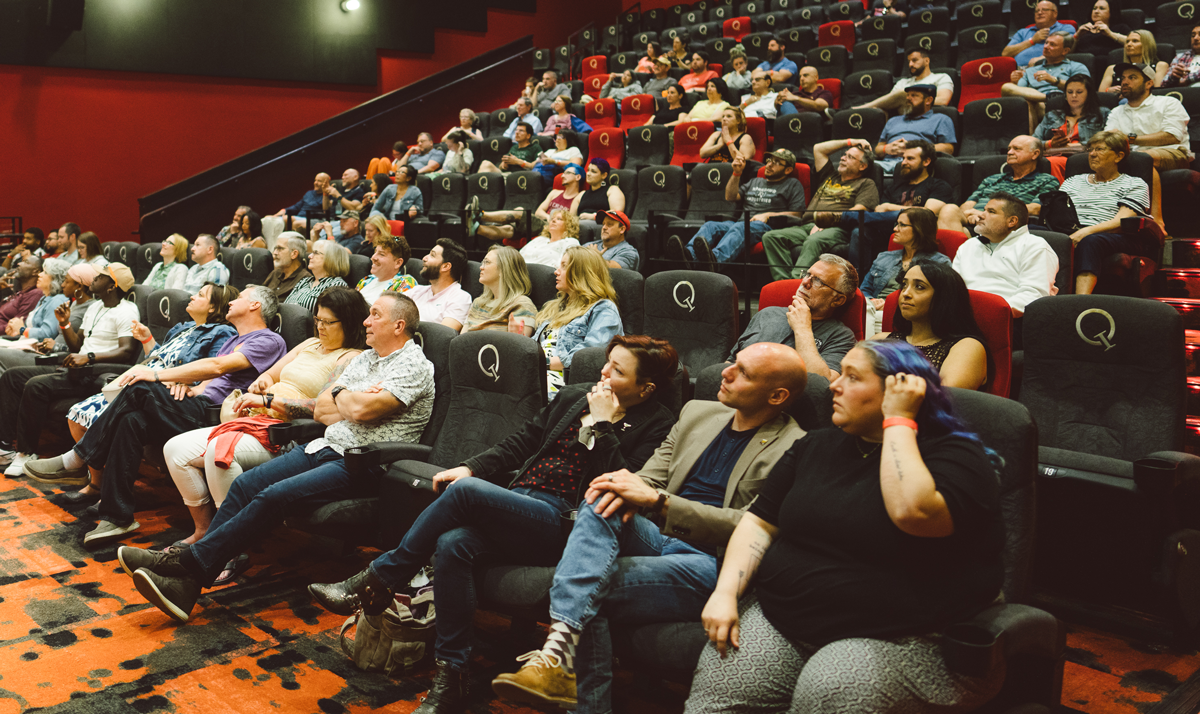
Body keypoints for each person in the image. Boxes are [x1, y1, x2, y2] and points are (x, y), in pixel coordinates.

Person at [310, 336, 681, 714]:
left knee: (466, 493)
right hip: (523, 503)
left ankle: (379, 579)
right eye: (607, 362)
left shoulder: (658, 425)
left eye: (618, 370)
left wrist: (603, 424)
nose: (603, 372)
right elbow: (522, 442)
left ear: (646, 388)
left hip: (572, 525)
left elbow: (620, 488)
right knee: (455, 542)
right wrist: (470, 466)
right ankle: (451, 678)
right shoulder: (576, 396)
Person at [684, 340, 1005, 714]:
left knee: (830, 687)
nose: (834, 384)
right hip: (783, 618)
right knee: (720, 688)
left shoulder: (958, 455)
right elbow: (758, 523)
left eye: (852, 377)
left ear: (900, 389)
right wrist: (726, 594)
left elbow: (913, 513)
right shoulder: (814, 446)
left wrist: (899, 420)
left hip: (906, 638)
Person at [489, 341, 807, 714]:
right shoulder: (697, 414)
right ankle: (560, 663)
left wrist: (661, 503)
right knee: (605, 492)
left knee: (588, 588)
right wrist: (631, 489)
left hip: (710, 561)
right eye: (732, 363)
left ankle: (559, 662)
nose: (725, 372)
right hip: (656, 535)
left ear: (777, 395)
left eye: (743, 373)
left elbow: (751, 526)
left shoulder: (795, 446)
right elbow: (643, 480)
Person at [114, 292, 435, 623]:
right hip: (324, 445)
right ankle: (188, 582)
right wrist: (346, 398)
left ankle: (185, 566)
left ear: (399, 325)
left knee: (272, 496)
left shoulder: (415, 365)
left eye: (376, 316)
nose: (366, 321)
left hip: (362, 461)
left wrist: (346, 399)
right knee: (245, 485)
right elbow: (323, 409)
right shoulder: (366, 360)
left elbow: (360, 409)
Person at [25, 284, 289, 546]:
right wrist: (189, 386)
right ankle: (117, 517)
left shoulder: (267, 340)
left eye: (240, 297)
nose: (232, 301)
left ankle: (77, 458)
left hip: (215, 418)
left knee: (141, 385)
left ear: (255, 305)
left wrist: (156, 375)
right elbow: (210, 378)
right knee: (132, 421)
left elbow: (218, 367)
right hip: (198, 404)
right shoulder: (234, 339)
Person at [162, 287, 367, 552]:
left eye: (328, 322)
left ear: (349, 322)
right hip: (256, 417)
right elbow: (270, 375)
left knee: (218, 453)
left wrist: (270, 401)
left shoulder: (351, 357)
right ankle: (205, 532)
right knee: (175, 450)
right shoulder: (309, 343)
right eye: (317, 320)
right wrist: (262, 384)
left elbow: (322, 409)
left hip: (288, 431)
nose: (320, 327)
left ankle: (232, 547)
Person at [53, 283, 239, 495]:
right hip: (145, 379)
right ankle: (97, 482)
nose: (192, 296)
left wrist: (187, 383)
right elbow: (160, 357)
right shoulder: (183, 327)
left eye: (200, 295)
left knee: (110, 419)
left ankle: (88, 473)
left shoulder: (222, 332)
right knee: (77, 414)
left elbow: (210, 369)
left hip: (163, 389)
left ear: (213, 307)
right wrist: (147, 339)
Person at [0, 264, 147, 477]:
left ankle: (26, 452)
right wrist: (65, 324)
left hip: (94, 371)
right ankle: (4, 446)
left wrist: (89, 357)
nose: (94, 279)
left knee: (36, 385)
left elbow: (126, 352)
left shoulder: (126, 310)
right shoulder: (95, 307)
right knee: (12, 377)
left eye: (101, 277)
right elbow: (77, 345)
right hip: (76, 366)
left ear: (112, 286)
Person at [814, 139, 953, 266]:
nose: (903, 162)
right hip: (889, 228)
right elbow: (879, 211)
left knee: (907, 215)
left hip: (917, 229)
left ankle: (843, 216)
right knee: (859, 231)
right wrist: (888, 209)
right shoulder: (894, 188)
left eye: (910, 158)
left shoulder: (938, 185)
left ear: (926, 162)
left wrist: (889, 207)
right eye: (903, 158)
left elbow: (927, 213)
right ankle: (856, 279)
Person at [670, 150, 807, 271]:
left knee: (741, 227)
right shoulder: (755, 181)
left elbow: (797, 214)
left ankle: (715, 261)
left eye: (776, 162)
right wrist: (736, 173)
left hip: (767, 226)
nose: (769, 164)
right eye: (769, 160)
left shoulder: (793, 184)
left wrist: (768, 215)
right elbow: (730, 196)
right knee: (710, 225)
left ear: (788, 170)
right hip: (741, 222)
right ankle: (688, 257)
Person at [760, 142, 880, 281]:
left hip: (837, 228)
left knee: (814, 241)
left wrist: (827, 220)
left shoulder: (866, 183)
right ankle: (784, 284)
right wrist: (850, 141)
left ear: (862, 166)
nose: (842, 158)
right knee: (771, 237)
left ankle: (796, 285)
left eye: (850, 157)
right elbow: (818, 149)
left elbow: (860, 210)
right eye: (844, 155)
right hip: (808, 225)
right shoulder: (829, 175)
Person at [729, 254, 860, 380]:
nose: (805, 282)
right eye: (808, 274)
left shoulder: (841, 336)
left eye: (818, 281)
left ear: (837, 300)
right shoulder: (767, 314)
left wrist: (802, 329)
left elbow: (820, 385)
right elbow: (730, 362)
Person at [871, 260, 989, 390]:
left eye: (919, 287)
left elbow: (948, 401)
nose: (905, 293)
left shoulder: (968, 347)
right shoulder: (880, 340)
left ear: (944, 297)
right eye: (904, 285)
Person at [1060, 130, 1152, 295]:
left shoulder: (1134, 184)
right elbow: (1057, 211)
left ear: (1118, 156)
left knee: (1091, 241)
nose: (1092, 154)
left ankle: (1080, 302)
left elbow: (1121, 222)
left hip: (1116, 235)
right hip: (1072, 229)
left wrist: (1084, 232)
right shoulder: (1073, 181)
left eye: (1100, 149)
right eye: (1091, 150)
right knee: (1035, 233)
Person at [534, 247, 624, 397]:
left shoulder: (604, 309)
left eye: (564, 266)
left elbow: (587, 358)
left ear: (581, 272)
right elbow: (535, 347)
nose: (556, 271)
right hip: (536, 374)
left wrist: (540, 364)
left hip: (563, 384)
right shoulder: (555, 307)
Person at [951, 191, 1059, 315]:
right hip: (964, 317)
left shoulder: (1034, 246)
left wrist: (988, 312)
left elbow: (1033, 297)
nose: (981, 215)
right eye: (984, 210)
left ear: (1012, 221)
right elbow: (954, 289)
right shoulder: (969, 245)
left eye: (991, 212)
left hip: (1008, 320)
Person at [938, 136, 1061, 234]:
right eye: (1009, 149)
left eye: (1016, 149)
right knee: (950, 210)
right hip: (975, 222)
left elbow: (1035, 208)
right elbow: (967, 206)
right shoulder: (992, 179)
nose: (1009, 152)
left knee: (957, 236)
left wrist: (986, 214)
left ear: (1034, 154)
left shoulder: (1047, 180)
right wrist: (973, 215)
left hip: (1006, 227)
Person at [859, 207, 952, 330]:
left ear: (920, 229)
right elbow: (864, 289)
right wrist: (872, 301)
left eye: (902, 225)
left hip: (909, 316)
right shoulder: (884, 256)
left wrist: (890, 305)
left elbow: (938, 300)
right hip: (874, 310)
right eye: (896, 224)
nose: (895, 229)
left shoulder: (939, 262)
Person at [1105, 62, 1193, 170]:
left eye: (1132, 78)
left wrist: (1129, 139)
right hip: (1132, 155)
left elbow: (1172, 137)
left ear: (1149, 84)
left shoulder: (1168, 103)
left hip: (1172, 152)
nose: (1124, 82)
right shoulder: (1116, 112)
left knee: (1139, 159)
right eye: (1123, 78)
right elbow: (1108, 140)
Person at [1002, 32, 1092, 132]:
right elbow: (1019, 92)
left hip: (1065, 104)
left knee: (1029, 103)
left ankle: (1031, 142)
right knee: (1007, 87)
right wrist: (1015, 82)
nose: (1046, 47)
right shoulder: (1030, 71)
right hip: (1038, 105)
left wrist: (1054, 80)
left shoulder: (1076, 66)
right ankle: (1048, 98)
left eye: (1052, 45)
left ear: (1065, 50)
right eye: (1046, 43)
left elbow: (1084, 89)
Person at [473, 164, 584, 243]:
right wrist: (550, 217)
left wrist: (551, 220)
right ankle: (475, 228)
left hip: (551, 227)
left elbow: (571, 219)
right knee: (508, 230)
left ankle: (480, 214)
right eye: (563, 173)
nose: (562, 176)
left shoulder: (579, 197)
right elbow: (538, 212)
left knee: (520, 210)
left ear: (578, 177)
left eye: (567, 173)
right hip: (543, 222)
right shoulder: (555, 192)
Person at [1034, 74, 1108, 179]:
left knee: (1055, 162)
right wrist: (1049, 144)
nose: (1073, 96)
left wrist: (1072, 147)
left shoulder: (1102, 114)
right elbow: (1033, 141)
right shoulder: (1052, 115)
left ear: (1089, 94)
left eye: (1079, 92)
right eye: (1069, 92)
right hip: (1052, 155)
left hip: (1084, 157)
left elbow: (1107, 141)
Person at [875, 85, 956, 174]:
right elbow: (878, 148)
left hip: (915, 164)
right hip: (886, 163)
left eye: (914, 95)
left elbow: (948, 149)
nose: (908, 98)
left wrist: (915, 147)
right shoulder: (893, 120)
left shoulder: (941, 119)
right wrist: (886, 148)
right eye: (908, 95)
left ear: (928, 100)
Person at [461, 245, 538, 335]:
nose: (481, 267)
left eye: (487, 262)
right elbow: (460, 341)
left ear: (504, 269)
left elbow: (518, 346)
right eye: (482, 262)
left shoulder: (522, 304)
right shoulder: (478, 303)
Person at [854, 49, 955, 110]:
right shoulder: (902, 82)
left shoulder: (941, 77)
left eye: (914, 60)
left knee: (904, 93)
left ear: (927, 61)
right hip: (902, 117)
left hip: (929, 114)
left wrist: (915, 100)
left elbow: (943, 100)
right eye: (909, 61)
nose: (910, 64)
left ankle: (863, 108)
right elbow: (889, 103)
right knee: (880, 111)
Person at [408, 239, 473, 331]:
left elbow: (442, 336)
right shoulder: (416, 291)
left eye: (432, 255)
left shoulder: (460, 298)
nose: (424, 258)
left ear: (446, 266)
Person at [5, 256, 69, 343]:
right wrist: (15, 328)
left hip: (39, 350)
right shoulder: (45, 298)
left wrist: (22, 330)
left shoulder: (57, 301)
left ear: (55, 279)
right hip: (26, 343)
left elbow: (47, 334)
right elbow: (31, 328)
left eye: (45, 272)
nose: (40, 274)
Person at [284, 241, 352, 313]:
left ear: (331, 258)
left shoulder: (337, 286)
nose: (309, 256)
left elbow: (327, 319)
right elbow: (285, 305)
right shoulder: (304, 281)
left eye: (316, 253)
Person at [1004, 0, 1073, 67]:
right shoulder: (1023, 32)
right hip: (1018, 70)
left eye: (1045, 10)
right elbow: (1005, 54)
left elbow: (1067, 49)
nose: (1039, 13)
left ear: (1055, 13)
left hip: (1048, 67)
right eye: (1037, 11)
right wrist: (1032, 41)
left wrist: (1041, 60)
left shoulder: (1065, 29)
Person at [1099, 30, 1169, 92]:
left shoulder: (1160, 66)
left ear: (1146, 45)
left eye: (1135, 41)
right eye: (1127, 41)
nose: (1129, 44)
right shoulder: (1112, 69)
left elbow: (1158, 91)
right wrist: (1108, 90)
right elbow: (1100, 94)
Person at [356, 232, 416, 303]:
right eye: (375, 252)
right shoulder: (365, 281)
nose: (373, 257)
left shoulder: (405, 282)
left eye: (381, 254)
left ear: (398, 263)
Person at [263, 233, 313, 301]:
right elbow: (258, 295)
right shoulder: (275, 273)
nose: (275, 253)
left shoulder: (305, 280)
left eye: (280, 248)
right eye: (275, 248)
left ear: (294, 254)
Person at [0, 257, 45, 333]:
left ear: (35, 272)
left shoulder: (35, 294)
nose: (19, 263)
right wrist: (3, 290)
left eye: (26, 262)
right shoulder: (21, 292)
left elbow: (16, 326)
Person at [1162, 20, 1200, 88]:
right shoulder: (1181, 57)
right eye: (1193, 35)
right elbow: (1163, 84)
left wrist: (1186, 80)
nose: (1195, 38)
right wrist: (1174, 77)